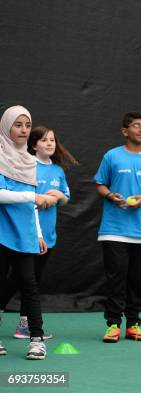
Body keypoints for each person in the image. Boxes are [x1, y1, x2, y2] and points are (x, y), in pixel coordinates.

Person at [94, 112, 141, 343]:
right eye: (136, 126)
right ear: (125, 131)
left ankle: (134, 324)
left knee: (135, 280)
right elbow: (100, 184)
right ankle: (113, 325)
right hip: (113, 230)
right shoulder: (112, 156)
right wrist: (110, 196)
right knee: (116, 278)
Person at [0, 125, 77, 340]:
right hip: (24, 233)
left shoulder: (58, 171)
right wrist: (40, 201)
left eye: (52, 140)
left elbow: (65, 197)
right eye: (44, 140)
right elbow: (27, 198)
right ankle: (24, 325)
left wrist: (58, 196)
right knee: (21, 279)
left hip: (47, 237)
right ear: (34, 145)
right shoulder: (26, 165)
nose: (50, 143)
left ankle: (25, 325)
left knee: (32, 280)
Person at [0, 106, 56, 359]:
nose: (23, 130)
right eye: (17, 124)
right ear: (6, 127)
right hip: (1, 232)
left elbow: (31, 204)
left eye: (27, 125)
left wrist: (39, 233)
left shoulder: (29, 162)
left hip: (24, 233)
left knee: (29, 285)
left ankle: (36, 340)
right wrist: (32, 196)